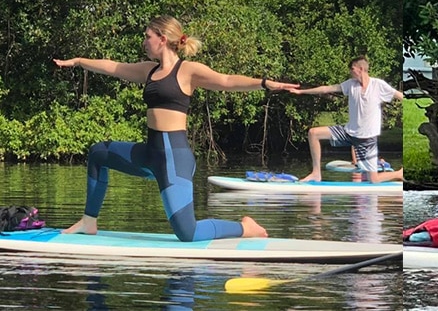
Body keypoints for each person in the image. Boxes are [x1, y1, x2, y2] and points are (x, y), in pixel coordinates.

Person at [53, 15, 298, 241]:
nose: (144, 42)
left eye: (147, 36)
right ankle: (89, 221)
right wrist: (79, 61)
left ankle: (246, 228)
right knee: (98, 153)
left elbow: (226, 80)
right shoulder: (149, 70)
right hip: (150, 155)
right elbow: (113, 67)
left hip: (174, 159)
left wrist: (264, 83)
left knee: (187, 232)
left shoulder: (187, 70)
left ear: (162, 38)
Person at [289, 56, 402, 184]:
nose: (350, 71)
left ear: (360, 69)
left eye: (352, 68)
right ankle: (316, 173)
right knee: (313, 133)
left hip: (367, 139)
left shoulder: (378, 85)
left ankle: (399, 173)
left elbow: (399, 95)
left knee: (374, 180)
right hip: (348, 132)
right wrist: (301, 92)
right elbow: (326, 89)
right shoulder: (350, 84)